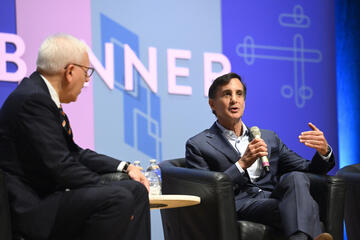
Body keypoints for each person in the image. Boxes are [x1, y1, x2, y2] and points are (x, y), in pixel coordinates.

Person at [0, 34, 150, 240]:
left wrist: (125, 166)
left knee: (136, 191)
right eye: (86, 71)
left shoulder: (41, 96)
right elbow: (61, 166)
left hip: (50, 198)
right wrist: (105, 186)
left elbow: (74, 153)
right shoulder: (33, 100)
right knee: (118, 197)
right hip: (34, 207)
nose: (87, 79)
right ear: (70, 71)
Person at [185, 72, 334, 240]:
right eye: (227, 94)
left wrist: (323, 152)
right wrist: (241, 164)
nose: (234, 99)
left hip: (273, 198)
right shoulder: (199, 144)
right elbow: (205, 194)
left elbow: (308, 169)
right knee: (304, 207)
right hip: (240, 206)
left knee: (296, 178)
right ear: (212, 104)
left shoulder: (268, 138)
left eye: (239, 94)